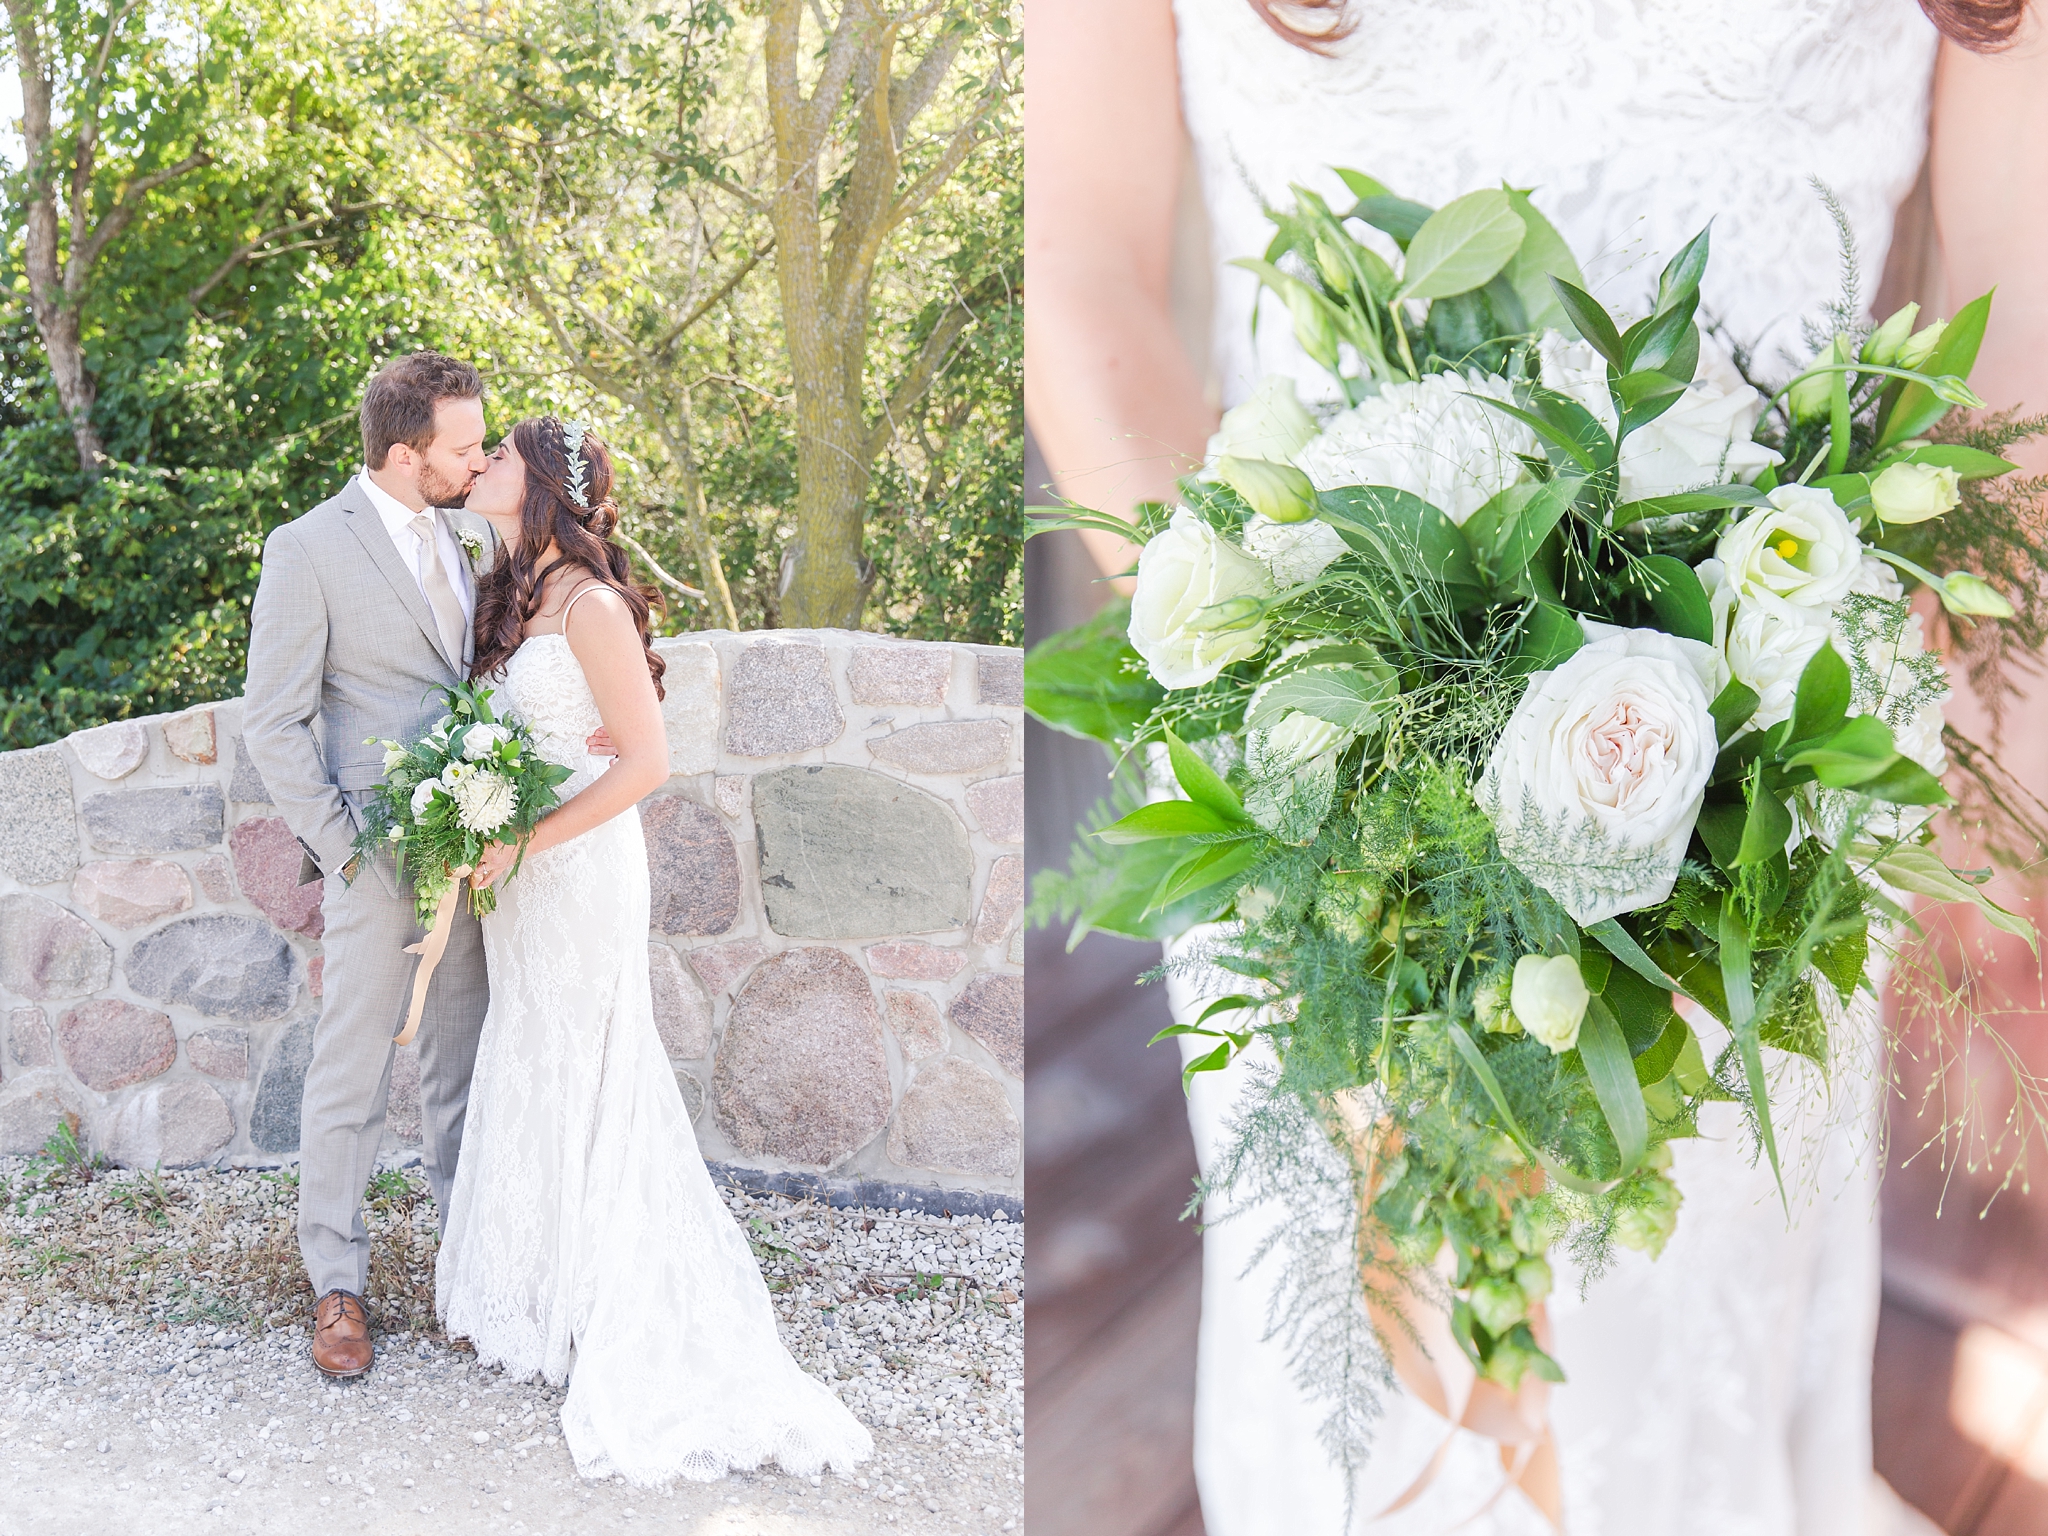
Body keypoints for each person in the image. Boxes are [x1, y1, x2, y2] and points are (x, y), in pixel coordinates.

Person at [1026, 2, 2048, 1532]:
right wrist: (1288, 723)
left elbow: (2015, 296)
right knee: (1354, 1395)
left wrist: (1955, 726)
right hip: (1317, 746)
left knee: (1689, 1340)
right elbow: (1079, 249)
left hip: (1772, 767)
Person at [431, 417, 873, 1484]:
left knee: (589, 1056)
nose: (478, 465)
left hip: (576, 868)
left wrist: (523, 839)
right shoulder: (512, 593)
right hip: (525, 876)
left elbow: (645, 763)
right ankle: (539, 1290)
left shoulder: (585, 602)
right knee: (533, 1047)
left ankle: (604, 1297)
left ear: (539, 484)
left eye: (496, 457)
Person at [245, 352, 512, 1379]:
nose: (480, 459)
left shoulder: (477, 537)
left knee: (464, 1067)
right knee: (350, 1075)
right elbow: (276, 722)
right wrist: (348, 855)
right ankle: (336, 1286)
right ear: (407, 455)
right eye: (464, 446)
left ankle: (467, 1269)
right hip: (376, 860)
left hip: (475, 852)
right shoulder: (306, 548)